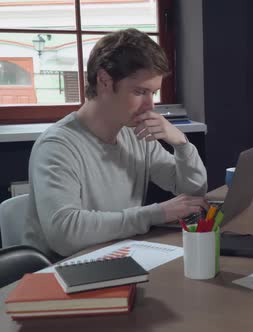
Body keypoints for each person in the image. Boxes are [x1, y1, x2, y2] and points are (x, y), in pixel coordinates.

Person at [23, 28, 208, 260]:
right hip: (61, 274)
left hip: (116, 258)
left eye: (154, 93)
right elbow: (65, 234)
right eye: (140, 92)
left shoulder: (134, 134)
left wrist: (182, 144)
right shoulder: (57, 146)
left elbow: (192, 192)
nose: (150, 106)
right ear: (104, 81)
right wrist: (156, 213)